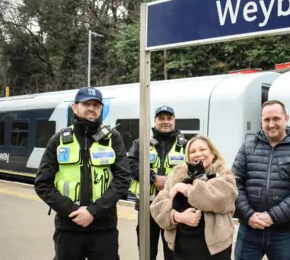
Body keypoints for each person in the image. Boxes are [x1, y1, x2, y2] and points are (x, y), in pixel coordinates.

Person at [34, 86, 130, 260]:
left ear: (101, 109)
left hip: (104, 228)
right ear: (74, 107)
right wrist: (74, 211)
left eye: (96, 105)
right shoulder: (59, 140)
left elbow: (123, 179)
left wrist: (93, 211)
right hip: (68, 227)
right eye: (87, 104)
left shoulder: (113, 138)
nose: (92, 108)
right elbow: (42, 183)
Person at [232, 100, 290, 260]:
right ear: (261, 120)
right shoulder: (247, 148)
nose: (271, 124)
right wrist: (248, 215)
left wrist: (272, 216)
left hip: (283, 232)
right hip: (249, 230)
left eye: (276, 118)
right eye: (266, 120)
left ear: (286, 118)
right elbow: (234, 183)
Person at [150, 134, 237, 260]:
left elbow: (216, 200)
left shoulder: (224, 176)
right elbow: (156, 207)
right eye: (192, 151)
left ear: (213, 154)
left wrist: (185, 188)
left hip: (214, 252)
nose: (197, 154)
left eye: (202, 149)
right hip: (180, 250)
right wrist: (177, 216)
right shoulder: (176, 176)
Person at [128, 105, 187, 260]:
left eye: (169, 118)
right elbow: (130, 164)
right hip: (147, 206)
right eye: (161, 118)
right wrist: (152, 178)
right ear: (155, 121)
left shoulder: (186, 145)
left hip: (175, 207)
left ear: (174, 121)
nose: (165, 122)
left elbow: (193, 171)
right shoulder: (140, 143)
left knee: (173, 252)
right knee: (147, 251)